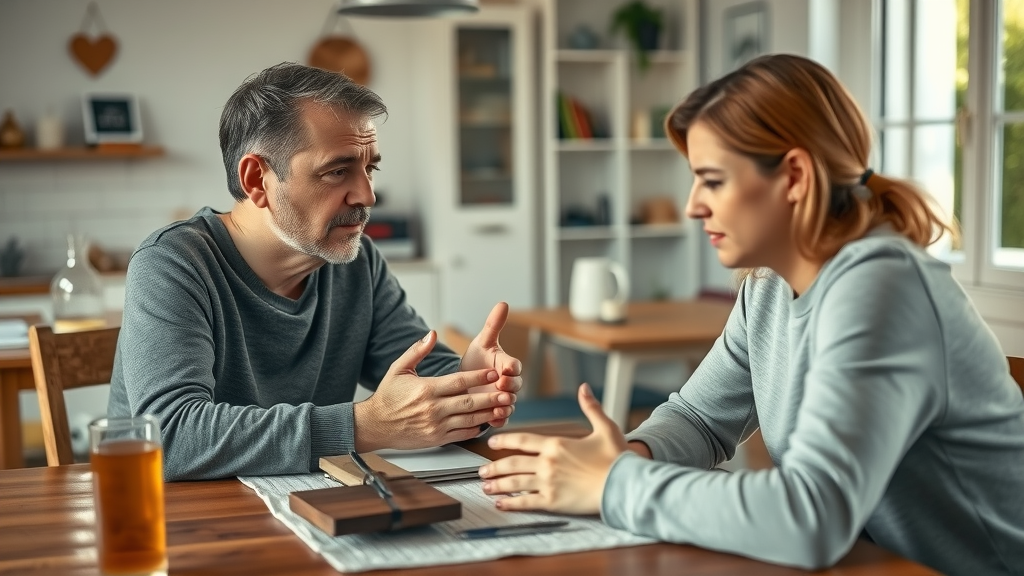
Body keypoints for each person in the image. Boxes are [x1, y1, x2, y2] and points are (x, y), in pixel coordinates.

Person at [478, 54, 1024, 575]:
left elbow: (812, 515)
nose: (693, 204)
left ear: (794, 177)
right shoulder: (768, 286)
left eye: (712, 180)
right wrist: (621, 454)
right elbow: (698, 419)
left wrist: (613, 485)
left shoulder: (882, 286)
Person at [107, 62, 522, 481]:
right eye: (337, 171)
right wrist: (365, 426)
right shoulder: (173, 263)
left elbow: (420, 387)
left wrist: (471, 384)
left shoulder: (356, 261)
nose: (367, 194)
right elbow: (168, 437)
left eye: (370, 168)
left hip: (314, 506)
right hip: (182, 523)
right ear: (257, 179)